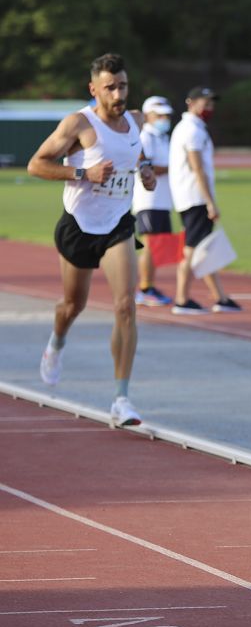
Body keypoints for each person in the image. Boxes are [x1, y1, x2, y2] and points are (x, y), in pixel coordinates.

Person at [27, 53, 157, 427]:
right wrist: (84, 171)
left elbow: (136, 154)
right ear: (93, 89)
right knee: (73, 305)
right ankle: (57, 341)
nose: (118, 94)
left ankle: (121, 399)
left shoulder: (135, 120)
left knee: (125, 307)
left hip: (118, 224)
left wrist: (145, 171)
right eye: (110, 88)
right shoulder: (79, 124)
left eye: (123, 86)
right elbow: (36, 164)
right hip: (79, 226)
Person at [168, 86, 241, 315]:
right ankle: (181, 299)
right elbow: (197, 167)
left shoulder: (191, 128)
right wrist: (210, 201)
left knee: (204, 249)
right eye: (205, 103)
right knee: (191, 250)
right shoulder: (192, 130)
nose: (209, 108)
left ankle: (220, 297)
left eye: (211, 104)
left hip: (190, 196)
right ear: (191, 102)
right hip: (195, 197)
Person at [133, 95, 175, 307]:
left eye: (166, 115)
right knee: (151, 245)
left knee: (159, 246)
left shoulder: (163, 138)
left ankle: (148, 285)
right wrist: (175, 167)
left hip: (163, 200)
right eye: (159, 115)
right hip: (148, 200)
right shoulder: (146, 137)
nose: (164, 119)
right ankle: (144, 287)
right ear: (148, 115)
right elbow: (145, 166)